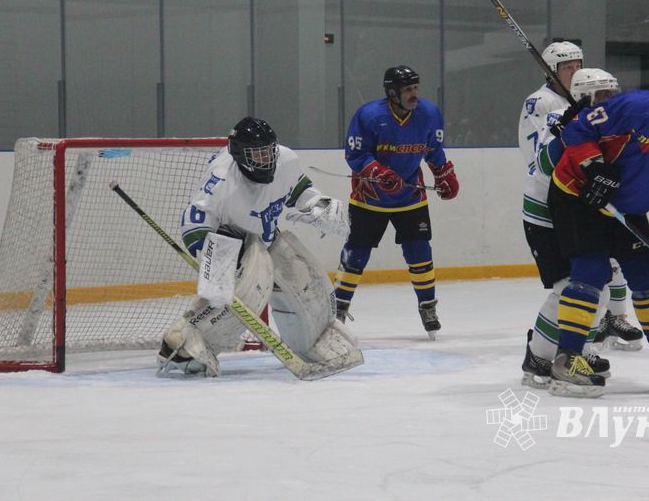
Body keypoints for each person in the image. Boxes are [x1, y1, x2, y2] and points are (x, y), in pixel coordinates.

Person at [546, 55, 649, 397]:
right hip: (578, 194)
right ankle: (567, 359)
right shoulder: (636, 107)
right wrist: (594, 166)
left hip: (624, 206)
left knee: (647, 275)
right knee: (591, 271)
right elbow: (578, 129)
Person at [158, 116, 358, 377]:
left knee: (304, 280)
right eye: (257, 154)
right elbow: (193, 221)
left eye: (268, 151)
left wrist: (317, 204)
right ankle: (181, 347)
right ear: (240, 154)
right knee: (240, 299)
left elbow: (297, 189)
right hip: (231, 243)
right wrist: (218, 261)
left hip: (267, 239)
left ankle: (311, 343)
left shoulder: (285, 159)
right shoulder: (221, 181)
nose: (266, 159)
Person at [520, 68, 644, 390]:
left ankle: (577, 351)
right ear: (583, 97)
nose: (611, 102)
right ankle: (540, 356)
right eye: (602, 96)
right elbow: (543, 165)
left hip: (577, 212)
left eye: (613, 95)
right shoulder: (560, 121)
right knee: (569, 287)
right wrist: (566, 133)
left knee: (596, 284)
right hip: (545, 216)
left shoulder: (611, 124)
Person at [333, 65, 459, 339]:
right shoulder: (369, 116)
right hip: (369, 198)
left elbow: (433, 150)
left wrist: (443, 173)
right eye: (407, 90)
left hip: (410, 197)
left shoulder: (428, 114)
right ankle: (338, 307)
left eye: (415, 88)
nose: (414, 94)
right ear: (392, 93)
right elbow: (355, 154)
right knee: (356, 253)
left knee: (420, 252)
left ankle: (428, 306)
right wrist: (378, 172)